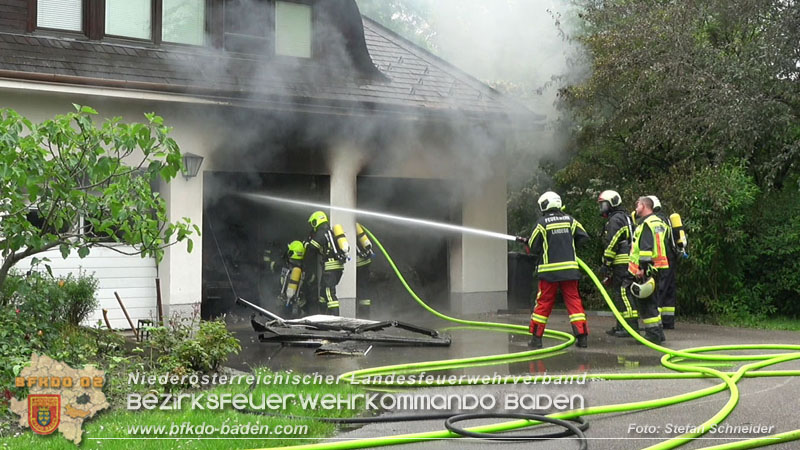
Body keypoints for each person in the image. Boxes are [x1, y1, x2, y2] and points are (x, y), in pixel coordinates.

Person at [517, 191, 591, 348]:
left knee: (543, 303)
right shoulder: (570, 220)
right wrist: (569, 247)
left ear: (545, 205)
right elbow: (584, 237)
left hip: (549, 272)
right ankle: (582, 337)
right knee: (574, 301)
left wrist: (527, 243)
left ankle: (536, 339)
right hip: (570, 270)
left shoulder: (542, 223)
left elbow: (533, 247)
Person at [597, 190, 639, 337]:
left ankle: (630, 327)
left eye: (603, 204)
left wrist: (606, 264)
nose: (602, 208)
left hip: (621, 262)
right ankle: (621, 325)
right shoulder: (625, 217)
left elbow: (612, 243)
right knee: (620, 294)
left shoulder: (615, 220)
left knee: (623, 293)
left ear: (612, 203)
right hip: (628, 261)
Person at [628, 196, 670, 344]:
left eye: (638, 204)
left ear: (644, 206)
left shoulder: (646, 224)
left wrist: (642, 269)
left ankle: (653, 335)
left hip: (648, 268)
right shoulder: (660, 223)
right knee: (653, 302)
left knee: (646, 304)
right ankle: (659, 333)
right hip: (660, 267)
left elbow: (646, 249)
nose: (636, 207)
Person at [303, 211, 346, 316]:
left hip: (330, 268)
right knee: (323, 294)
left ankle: (335, 320)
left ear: (316, 221)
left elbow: (312, 248)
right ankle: (323, 316)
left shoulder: (322, 232)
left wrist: (306, 243)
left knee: (329, 293)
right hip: (335, 267)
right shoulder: (330, 232)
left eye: (313, 223)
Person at [648, 196, 678, 329]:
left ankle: (657, 321)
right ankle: (668, 321)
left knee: (660, 288)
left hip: (663, 259)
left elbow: (659, 242)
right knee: (669, 288)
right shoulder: (666, 218)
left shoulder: (656, 220)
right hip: (671, 257)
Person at [278, 240, 307, 318]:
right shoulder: (303, 267)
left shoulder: (287, 266)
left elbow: (281, 281)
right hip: (299, 298)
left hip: (286, 297)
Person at [355, 223, 375, 319]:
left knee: (361, 290)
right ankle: (365, 315)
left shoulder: (348, 230)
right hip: (366, 263)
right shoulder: (358, 229)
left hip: (358, 266)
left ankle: (362, 315)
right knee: (364, 290)